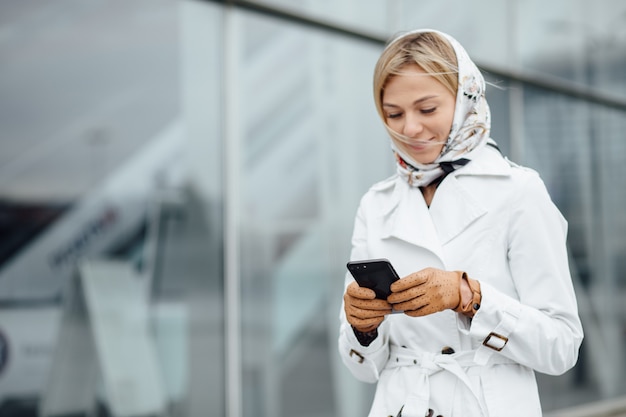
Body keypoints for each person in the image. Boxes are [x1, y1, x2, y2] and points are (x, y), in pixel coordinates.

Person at [338, 28, 583, 417]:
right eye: (393, 114)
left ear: (466, 97)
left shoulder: (519, 190)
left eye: (428, 109)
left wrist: (469, 296)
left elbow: (562, 347)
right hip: (400, 403)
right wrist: (361, 325)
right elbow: (361, 368)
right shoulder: (376, 202)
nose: (410, 129)